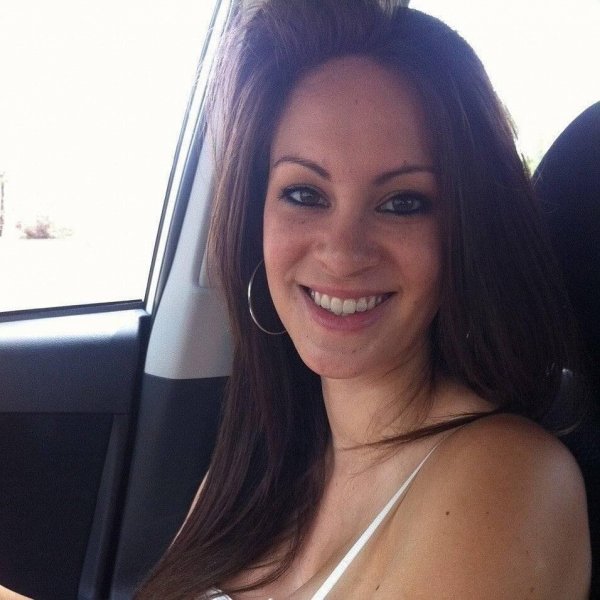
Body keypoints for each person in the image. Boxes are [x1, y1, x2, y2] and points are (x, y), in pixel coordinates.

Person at [136, 1, 591, 598]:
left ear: (465, 235)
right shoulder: (258, 465)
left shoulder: (508, 480)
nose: (343, 253)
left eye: (403, 203)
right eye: (304, 193)